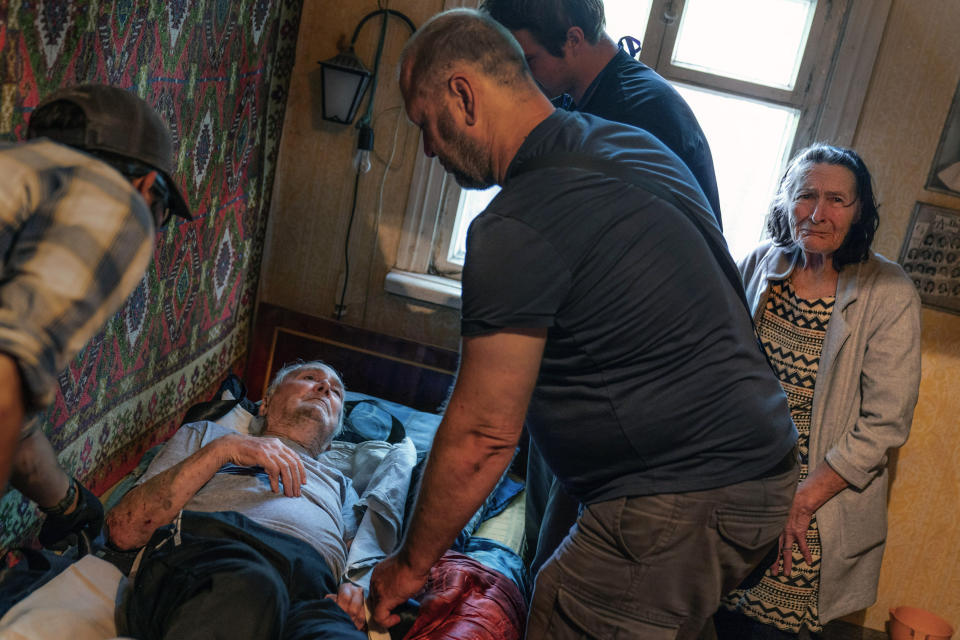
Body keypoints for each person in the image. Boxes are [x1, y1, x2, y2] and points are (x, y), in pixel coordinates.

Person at [369, 10, 798, 639]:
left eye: (425, 125)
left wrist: (408, 566)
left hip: (683, 490)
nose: (428, 148)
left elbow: (485, 433)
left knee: (565, 602)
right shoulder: (632, 145)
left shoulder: (515, 224)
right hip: (759, 467)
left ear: (463, 95)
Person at [715, 144, 922, 638]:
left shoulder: (888, 292)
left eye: (836, 200)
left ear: (860, 212)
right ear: (786, 201)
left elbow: (885, 423)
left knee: (770, 630)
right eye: (805, 195)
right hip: (736, 493)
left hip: (816, 505)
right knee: (713, 619)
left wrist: (802, 500)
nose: (817, 212)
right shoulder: (760, 265)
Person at [0, 84, 192, 552]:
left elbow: (18, 433)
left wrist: (69, 505)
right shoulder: (115, 202)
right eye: (161, 212)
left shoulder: (18, 169)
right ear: (148, 186)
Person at [104, 361, 369, 639]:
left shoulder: (342, 485)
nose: (325, 387)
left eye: (336, 393)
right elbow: (125, 529)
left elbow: (360, 563)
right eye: (310, 377)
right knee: (253, 586)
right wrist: (225, 450)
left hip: (313, 594)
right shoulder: (209, 435)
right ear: (265, 403)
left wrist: (354, 593)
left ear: (329, 444)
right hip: (218, 555)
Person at [481, 0, 722, 225]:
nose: (519, 76)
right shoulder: (580, 96)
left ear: (573, 39)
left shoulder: (635, 113)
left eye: (528, 60)